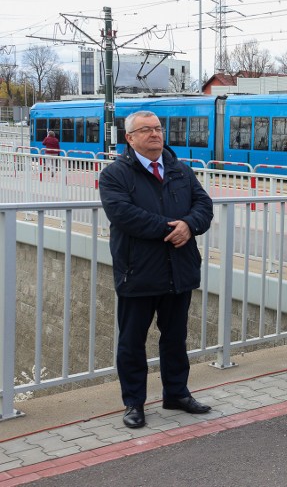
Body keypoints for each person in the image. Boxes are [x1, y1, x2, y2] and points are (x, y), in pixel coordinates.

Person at [99, 110, 214, 429]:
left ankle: (176, 393)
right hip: (138, 272)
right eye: (146, 130)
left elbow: (204, 206)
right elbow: (123, 215)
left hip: (180, 270)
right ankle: (134, 403)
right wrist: (172, 228)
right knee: (132, 341)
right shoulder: (115, 174)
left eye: (158, 128)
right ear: (130, 138)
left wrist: (189, 225)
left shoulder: (181, 171)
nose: (154, 134)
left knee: (175, 337)